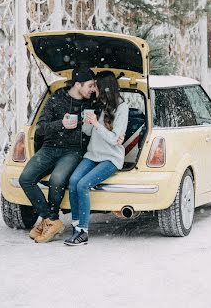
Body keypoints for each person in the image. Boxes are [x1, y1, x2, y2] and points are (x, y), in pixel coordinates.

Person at [19, 67, 96, 243]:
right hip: (49, 147)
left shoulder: (92, 103)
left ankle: (49, 220)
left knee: (57, 180)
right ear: (78, 84)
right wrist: (61, 124)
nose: (92, 89)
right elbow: (41, 127)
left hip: (74, 150)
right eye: (90, 85)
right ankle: (51, 219)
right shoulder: (56, 98)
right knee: (26, 178)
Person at [64, 71, 129, 246]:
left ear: (105, 88)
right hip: (93, 154)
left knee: (84, 185)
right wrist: (87, 122)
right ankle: (76, 227)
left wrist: (96, 124)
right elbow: (89, 133)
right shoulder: (99, 104)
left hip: (111, 158)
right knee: (73, 182)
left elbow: (114, 140)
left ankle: (83, 232)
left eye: (96, 87)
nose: (94, 90)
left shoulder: (122, 108)